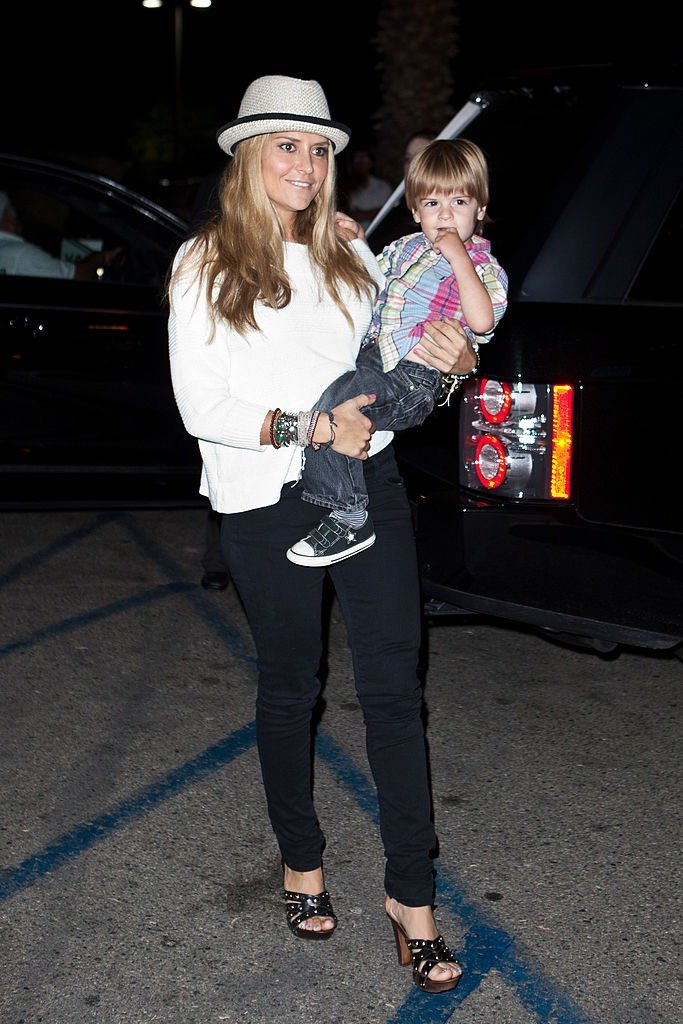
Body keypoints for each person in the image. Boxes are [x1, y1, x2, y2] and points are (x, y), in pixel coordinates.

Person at [167, 74, 475, 994]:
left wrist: (446, 370)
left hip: (369, 483)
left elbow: (386, 381)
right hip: (267, 499)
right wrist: (310, 427)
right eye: (285, 145)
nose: (305, 163)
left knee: (394, 689)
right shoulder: (206, 262)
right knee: (290, 688)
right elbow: (202, 406)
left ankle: (410, 900)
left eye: (319, 148)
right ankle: (301, 865)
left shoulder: (357, 259)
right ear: (247, 157)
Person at [287, 138, 508, 566]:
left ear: (480, 209)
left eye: (459, 201)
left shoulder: (483, 268)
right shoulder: (406, 248)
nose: (444, 215)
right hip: (374, 358)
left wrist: (459, 257)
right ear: (414, 212)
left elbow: (482, 322)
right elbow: (372, 285)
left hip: (415, 375)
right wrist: (356, 242)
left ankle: (348, 514)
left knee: (337, 410)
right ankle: (335, 503)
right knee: (327, 407)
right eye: (431, 203)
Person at [0, 190, 122, 280]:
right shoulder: (20, 254)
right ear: (7, 217)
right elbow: (77, 276)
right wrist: (99, 257)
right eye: (14, 213)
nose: (18, 218)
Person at [343, 146, 392, 231]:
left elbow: (387, 214)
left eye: (364, 159)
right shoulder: (347, 188)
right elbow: (346, 215)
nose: (361, 163)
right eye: (357, 160)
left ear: (371, 163)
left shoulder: (383, 187)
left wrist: (361, 214)